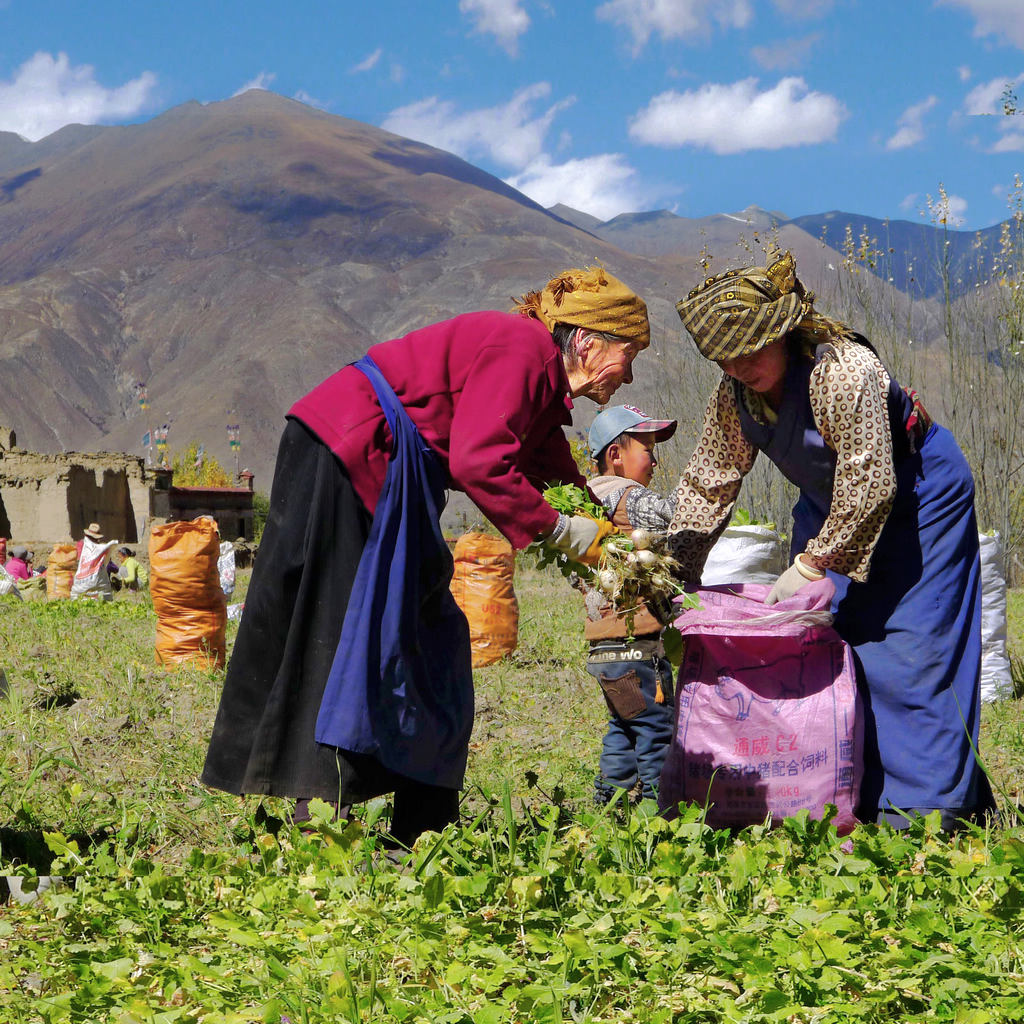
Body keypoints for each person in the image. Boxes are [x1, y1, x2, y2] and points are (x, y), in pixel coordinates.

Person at [201, 266, 649, 846]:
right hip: (351, 451)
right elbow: (478, 463)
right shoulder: (523, 350)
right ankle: (322, 820)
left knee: (427, 635)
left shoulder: (538, 377)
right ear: (587, 342)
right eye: (628, 354)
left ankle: (421, 822)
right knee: (344, 629)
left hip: (372, 460)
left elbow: (549, 463)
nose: (629, 374)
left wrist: (605, 532)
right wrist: (560, 530)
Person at [667, 250, 995, 831]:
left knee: (912, 655)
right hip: (829, 510)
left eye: (749, 351)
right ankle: (856, 801)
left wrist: (818, 560)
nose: (738, 366)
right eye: (725, 357)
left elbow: (871, 479)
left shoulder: (841, 368)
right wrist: (675, 565)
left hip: (921, 503)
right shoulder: (734, 398)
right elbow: (707, 484)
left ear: (784, 332)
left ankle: (927, 818)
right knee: (834, 652)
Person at [581, 405, 678, 806]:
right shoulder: (631, 498)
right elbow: (677, 516)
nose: (654, 460)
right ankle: (661, 814)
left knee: (623, 725)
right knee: (656, 731)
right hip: (638, 647)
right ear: (614, 455)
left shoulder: (583, 501)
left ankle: (608, 808)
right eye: (647, 449)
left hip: (603, 649)